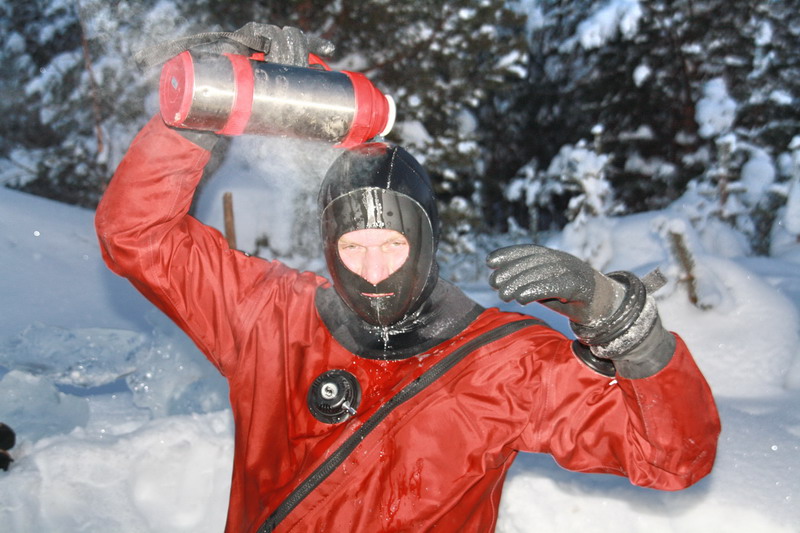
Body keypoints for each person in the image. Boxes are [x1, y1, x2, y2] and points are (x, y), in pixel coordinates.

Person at [96, 24, 720, 533]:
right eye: (352, 244)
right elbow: (137, 234)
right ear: (326, 243)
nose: (371, 269)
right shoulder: (270, 318)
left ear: (425, 243)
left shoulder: (499, 361)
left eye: (392, 243)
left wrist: (621, 322)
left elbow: (672, 458)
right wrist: (198, 115)